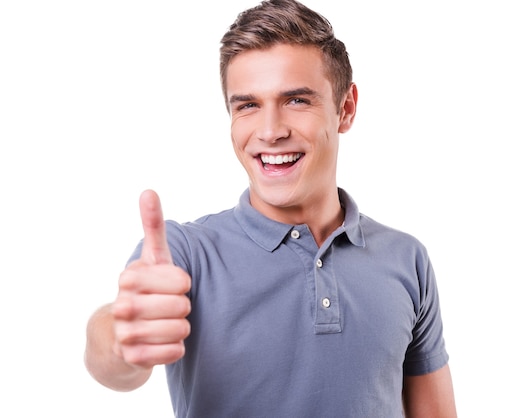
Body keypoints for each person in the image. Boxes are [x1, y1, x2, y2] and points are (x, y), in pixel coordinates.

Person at [84, 0, 458, 416]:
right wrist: (122, 337)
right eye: (247, 105)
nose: (269, 131)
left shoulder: (407, 259)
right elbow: (113, 362)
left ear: (346, 109)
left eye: (296, 100)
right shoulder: (184, 253)